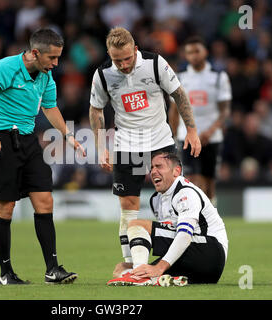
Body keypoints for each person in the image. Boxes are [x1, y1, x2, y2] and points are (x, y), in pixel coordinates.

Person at [0, 28, 85, 285]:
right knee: (5, 207)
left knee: (45, 201)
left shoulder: (45, 74)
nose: (56, 63)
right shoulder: (3, 69)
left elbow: (50, 106)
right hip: (1, 140)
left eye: (58, 58)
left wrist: (68, 135)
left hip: (29, 140)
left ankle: (52, 269)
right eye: (52, 58)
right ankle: (5, 273)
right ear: (35, 53)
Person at [89, 27, 201, 264]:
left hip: (161, 141)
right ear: (110, 55)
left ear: (136, 50)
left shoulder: (155, 63)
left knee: (173, 202)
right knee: (128, 206)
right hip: (127, 145)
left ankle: (176, 259)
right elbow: (96, 110)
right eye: (117, 60)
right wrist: (101, 147)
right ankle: (132, 264)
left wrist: (191, 130)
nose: (123, 64)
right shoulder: (103, 74)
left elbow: (179, 94)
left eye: (127, 58)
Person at [107, 151, 228, 286]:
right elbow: (169, 234)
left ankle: (138, 276)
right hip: (195, 263)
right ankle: (161, 279)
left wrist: (159, 267)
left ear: (176, 171)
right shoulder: (156, 200)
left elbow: (184, 235)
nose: (153, 171)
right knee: (121, 269)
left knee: (137, 224)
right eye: (152, 167)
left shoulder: (186, 192)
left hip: (210, 253)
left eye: (159, 166)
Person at [169, 36, 232, 203]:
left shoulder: (219, 77)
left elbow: (225, 111)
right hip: (187, 136)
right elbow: (174, 111)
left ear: (205, 52)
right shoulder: (179, 78)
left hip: (212, 137)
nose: (193, 55)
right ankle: (198, 218)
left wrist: (209, 132)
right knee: (193, 179)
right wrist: (173, 137)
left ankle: (210, 220)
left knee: (209, 181)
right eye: (189, 52)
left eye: (197, 51)